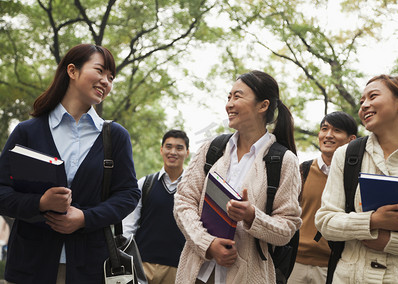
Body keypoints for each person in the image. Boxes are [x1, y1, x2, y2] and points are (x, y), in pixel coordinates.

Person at [0, 44, 141, 284]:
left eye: (111, 77)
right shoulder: (28, 132)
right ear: (72, 71)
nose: (106, 81)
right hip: (31, 265)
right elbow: (2, 191)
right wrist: (40, 203)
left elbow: (128, 194)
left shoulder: (115, 136)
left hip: (91, 267)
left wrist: (85, 218)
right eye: (100, 71)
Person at [315, 75, 398, 283]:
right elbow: (325, 221)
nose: (364, 106)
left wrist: (392, 242)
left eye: (373, 96)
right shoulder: (346, 155)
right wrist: (372, 221)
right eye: (361, 102)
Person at [173, 70, 302, 284]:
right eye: (229, 97)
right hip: (197, 274)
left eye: (238, 96)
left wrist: (252, 216)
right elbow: (183, 202)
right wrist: (208, 244)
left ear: (263, 106)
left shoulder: (283, 161)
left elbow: (287, 228)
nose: (229, 104)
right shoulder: (212, 149)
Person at [288, 111, 357, 284]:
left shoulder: (356, 178)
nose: (328, 135)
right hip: (295, 262)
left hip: (333, 265)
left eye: (337, 131)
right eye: (324, 129)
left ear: (351, 139)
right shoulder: (301, 171)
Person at [123, 129, 190, 283]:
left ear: (187, 153)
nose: (173, 152)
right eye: (168, 146)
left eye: (179, 148)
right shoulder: (144, 184)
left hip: (178, 267)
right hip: (142, 266)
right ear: (161, 150)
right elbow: (128, 227)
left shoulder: (193, 188)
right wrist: (127, 260)